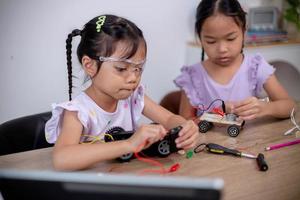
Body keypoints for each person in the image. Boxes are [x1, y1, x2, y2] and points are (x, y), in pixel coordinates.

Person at [45, 14, 199, 171]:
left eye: (138, 69)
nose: (133, 78)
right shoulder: (78, 112)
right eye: (121, 68)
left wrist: (185, 128)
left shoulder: (133, 98)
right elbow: (61, 159)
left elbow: (169, 118)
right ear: (89, 65)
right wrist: (128, 144)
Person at [174, 0, 295, 121]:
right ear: (199, 36)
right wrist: (216, 112)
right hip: (208, 140)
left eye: (230, 39)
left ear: (244, 31)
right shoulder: (192, 76)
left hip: (253, 139)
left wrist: (266, 108)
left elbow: (290, 106)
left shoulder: (255, 66)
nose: (222, 49)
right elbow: (184, 123)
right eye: (211, 41)